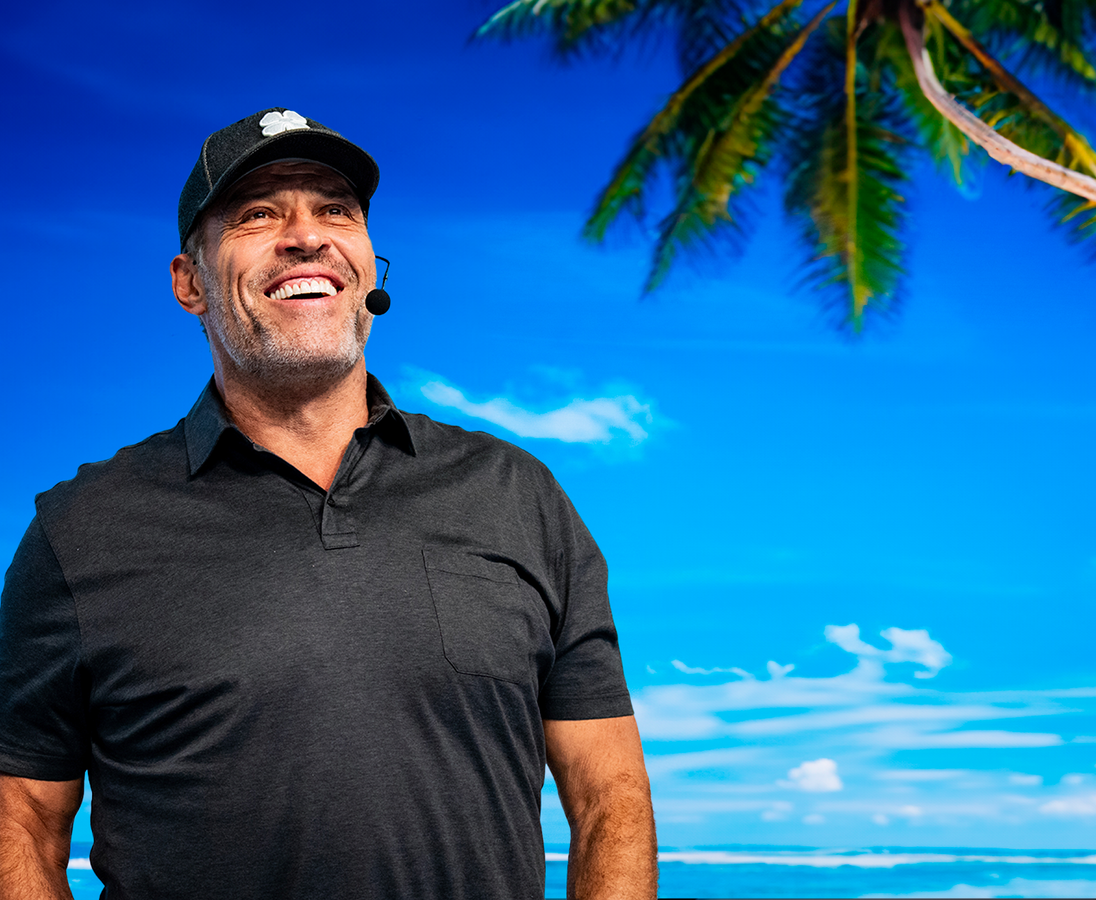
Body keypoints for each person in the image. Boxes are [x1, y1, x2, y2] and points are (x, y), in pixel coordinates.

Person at [0, 108, 656, 900]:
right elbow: (23, 822)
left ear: (370, 265)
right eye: (256, 214)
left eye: (335, 210)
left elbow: (609, 799)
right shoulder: (81, 529)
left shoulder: (517, 495)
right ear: (189, 284)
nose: (305, 235)